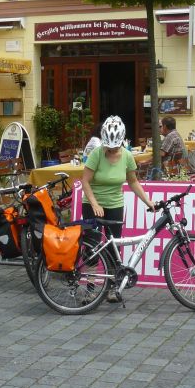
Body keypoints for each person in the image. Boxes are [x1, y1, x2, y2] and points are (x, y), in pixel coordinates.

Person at [81, 115, 155, 302]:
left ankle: (112, 288)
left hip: (115, 204)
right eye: (108, 147)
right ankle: (90, 289)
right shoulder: (97, 153)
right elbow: (85, 181)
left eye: (114, 148)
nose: (111, 150)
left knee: (114, 246)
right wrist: (94, 203)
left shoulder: (127, 156)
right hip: (92, 204)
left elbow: (133, 182)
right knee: (92, 246)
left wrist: (148, 201)